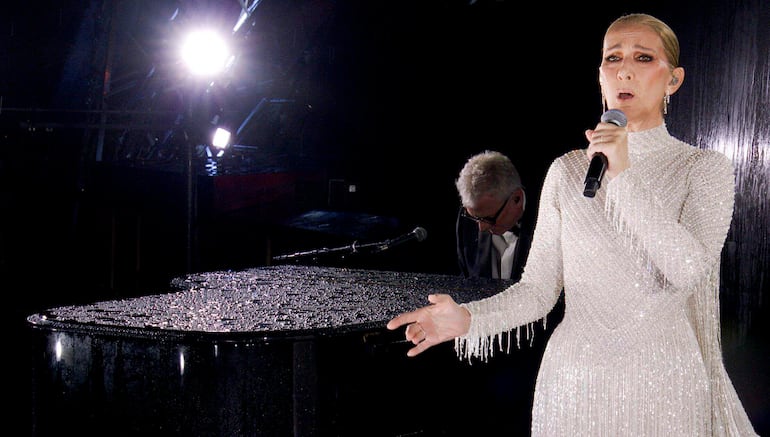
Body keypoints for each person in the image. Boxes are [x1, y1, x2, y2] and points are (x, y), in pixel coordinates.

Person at [387, 13, 759, 436]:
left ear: (673, 80)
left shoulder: (703, 168)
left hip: (665, 387)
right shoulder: (567, 171)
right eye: (612, 57)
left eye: (642, 57)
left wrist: (623, 177)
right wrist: (469, 320)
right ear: (600, 74)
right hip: (572, 385)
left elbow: (689, 269)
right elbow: (539, 290)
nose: (624, 69)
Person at [455, 150, 531, 281]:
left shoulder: (551, 222)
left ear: (516, 199)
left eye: (488, 218)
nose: (481, 228)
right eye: (475, 217)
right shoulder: (467, 222)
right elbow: (468, 284)